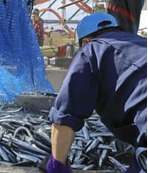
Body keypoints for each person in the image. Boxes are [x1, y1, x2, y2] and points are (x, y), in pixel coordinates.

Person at [46, 13, 147, 173]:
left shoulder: (91, 49)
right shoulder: (142, 43)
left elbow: (65, 116)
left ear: (85, 41)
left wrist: (57, 164)